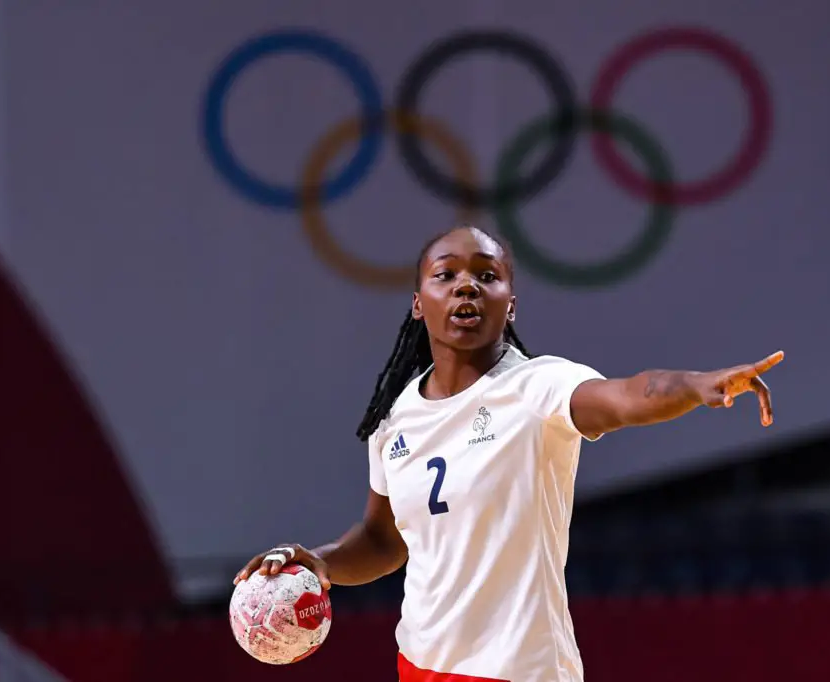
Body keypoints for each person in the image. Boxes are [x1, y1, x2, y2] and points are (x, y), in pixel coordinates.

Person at [234, 226, 784, 682]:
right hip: (421, 664)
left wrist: (697, 384)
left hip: (519, 670)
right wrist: (323, 561)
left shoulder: (538, 387)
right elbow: (384, 539)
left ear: (510, 304)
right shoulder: (396, 418)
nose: (466, 286)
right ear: (419, 303)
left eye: (487, 276)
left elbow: (627, 395)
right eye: (446, 275)